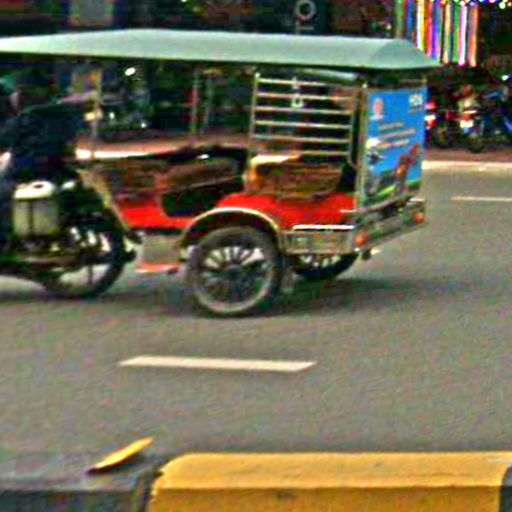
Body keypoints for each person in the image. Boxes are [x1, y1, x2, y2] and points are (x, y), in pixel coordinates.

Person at [0, 68, 85, 250]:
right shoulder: (63, 113)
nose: (13, 98)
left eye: (16, 93)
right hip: (58, 169)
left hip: (27, 171)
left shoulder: (29, 117)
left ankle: (7, 243)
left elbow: (3, 140)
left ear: (25, 95)